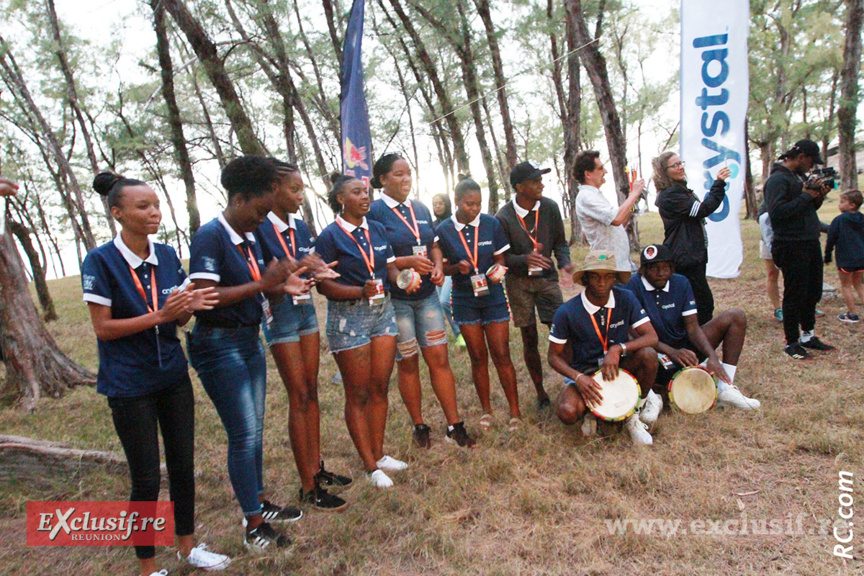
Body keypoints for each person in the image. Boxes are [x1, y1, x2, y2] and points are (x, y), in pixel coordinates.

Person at [82, 172, 230, 575]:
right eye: (142, 206)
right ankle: (148, 566)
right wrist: (159, 315)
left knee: (182, 465)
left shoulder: (166, 255)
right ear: (117, 213)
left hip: (173, 377)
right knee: (146, 477)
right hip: (129, 385)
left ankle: (188, 547)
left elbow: (177, 319)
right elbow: (103, 328)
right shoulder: (100, 261)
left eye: (156, 205)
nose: (154, 213)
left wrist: (186, 308)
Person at [188, 156, 312, 551]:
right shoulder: (211, 236)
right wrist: (263, 285)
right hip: (218, 344)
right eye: (259, 210)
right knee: (242, 434)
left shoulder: (251, 235)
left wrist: (285, 284)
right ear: (239, 200)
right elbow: (205, 298)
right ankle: (253, 525)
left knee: (254, 431)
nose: (262, 219)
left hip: (249, 338)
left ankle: (258, 500)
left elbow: (266, 282)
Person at [255, 160, 352, 512]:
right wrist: (300, 267)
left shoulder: (299, 224)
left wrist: (319, 271)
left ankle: (317, 467)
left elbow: (306, 261)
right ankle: (307, 486)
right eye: (294, 189)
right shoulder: (260, 226)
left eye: (302, 189)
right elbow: (266, 277)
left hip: (305, 309)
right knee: (298, 394)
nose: (300, 196)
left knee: (311, 390)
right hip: (280, 314)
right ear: (274, 190)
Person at [367, 154, 474, 448]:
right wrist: (404, 261)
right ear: (383, 179)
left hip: (427, 297)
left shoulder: (421, 207)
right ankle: (419, 425)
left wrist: (438, 267)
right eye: (398, 174)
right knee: (409, 362)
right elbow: (374, 256)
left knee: (439, 358)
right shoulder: (374, 212)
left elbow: (434, 244)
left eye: (408, 173)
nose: (406, 179)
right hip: (397, 301)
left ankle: (455, 425)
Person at [315, 174, 408, 489]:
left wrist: (401, 278)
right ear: (341, 199)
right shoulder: (330, 236)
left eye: (366, 192)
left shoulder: (378, 229)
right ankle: (369, 466)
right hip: (348, 318)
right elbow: (323, 284)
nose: (366, 197)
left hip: (383, 313)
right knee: (358, 393)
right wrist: (359, 291)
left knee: (380, 387)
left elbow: (390, 268)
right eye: (357, 193)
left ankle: (379, 455)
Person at [624, 244, 760, 410]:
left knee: (735, 316)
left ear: (672, 268)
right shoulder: (631, 286)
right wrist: (671, 352)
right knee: (645, 353)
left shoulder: (681, 282)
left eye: (666, 267)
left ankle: (726, 386)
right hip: (655, 353)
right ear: (643, 270)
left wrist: (712, 356)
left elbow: (693, 327)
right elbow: (634, 335)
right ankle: (653, 395)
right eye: (654, 268)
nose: (661, 273)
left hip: (684, 350)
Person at [437, 177, 523, 430]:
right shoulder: (444, 229)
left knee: (502, 353)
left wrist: (496, 273)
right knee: (477, 356)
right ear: (456, 202)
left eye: (478, 204)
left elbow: (501, 261)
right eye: (469, 204)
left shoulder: (491, 224)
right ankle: (486, 410)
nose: (475, 209)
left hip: (493, 297)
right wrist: (456, 268)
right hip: (464, 299)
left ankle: (514, 411)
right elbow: (441, 266)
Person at [548, 251, 659, 446]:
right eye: (595, 276)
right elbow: (553, 357)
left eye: (608, 276)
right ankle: (592, 412)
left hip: (620, 367)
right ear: (585, 279)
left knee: (648, 355)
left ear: (615, 278)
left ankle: (634, 414)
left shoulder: (626, 298)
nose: (601, 282)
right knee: (567, 412)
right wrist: (578, 377)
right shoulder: (567, 311)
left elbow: (652, 337)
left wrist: (618, 349)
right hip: (587, 374)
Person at [495, 161, 574, 409]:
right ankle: (540, 393)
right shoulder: (503, 217)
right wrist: (523, 259)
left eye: (541, 180)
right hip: (519, 283)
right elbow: (502, 258)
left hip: (547, 279)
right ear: (520, 187)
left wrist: (564, 263)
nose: (541, 184)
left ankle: (573, 380)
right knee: (529, 337)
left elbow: (561, 242)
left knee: (561, 330)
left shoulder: (549, 207)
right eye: (535, 181)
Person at [764, 139, 835, 359]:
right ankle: (791, 342)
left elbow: (806, 209)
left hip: (809, 240)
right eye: (811, 161)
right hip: (791, 244)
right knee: (795, 293)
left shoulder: (799, 178)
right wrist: (806, 196)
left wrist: (817, 196)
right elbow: (777, 213)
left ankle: (808, 334)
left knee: (812, 290)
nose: (812, 166)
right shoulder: (777, 180)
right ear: (802, 156)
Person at [652, 152, 730, 325]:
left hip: (693, 255)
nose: (680, 167)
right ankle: (697, 345)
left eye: (681, 163)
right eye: (675, 165)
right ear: (663, 172)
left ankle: (695, 343)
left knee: (696, 303)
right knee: (702, 304)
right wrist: (718, 184)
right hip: (685, 257)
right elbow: (702, 210)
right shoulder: (670, 195)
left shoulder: (680, 190)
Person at [573, 150, 642, 273]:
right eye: (601, 168)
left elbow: (618, 226)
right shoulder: (586, 197)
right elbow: (615, 219)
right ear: (588, 174)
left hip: (621, 265)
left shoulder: (596, 195)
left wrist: (631, 207)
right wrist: (634, 193)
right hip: (608, 268)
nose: (605, 172)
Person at [825, 189, 864, 323]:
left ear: (852, 205)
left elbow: (831, 239)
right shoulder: (862, 218)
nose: (839, 204)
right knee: (859, 284)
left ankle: (852, 314)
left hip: (846, 259)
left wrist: (827, 255)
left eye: (842, 202)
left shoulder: (839, 220)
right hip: (861, 258)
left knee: (846, 285)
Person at [432, 192, 462, 343]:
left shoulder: (454, 222)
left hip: (452, 267)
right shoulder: (432, 225)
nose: (437, 206)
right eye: (435, 204)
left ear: (447, 204)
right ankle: (459, 335)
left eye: (440, 203)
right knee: (440, 303)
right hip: (438, 268)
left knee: (445, 300)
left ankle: (463, 329)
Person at [757, 193, 783, 322]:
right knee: (772, 274)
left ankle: (801, 306)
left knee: (793, 276)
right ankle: (778, 308)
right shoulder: (769, 197)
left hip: (791, 240)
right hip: (770, 241)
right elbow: (760, 217)